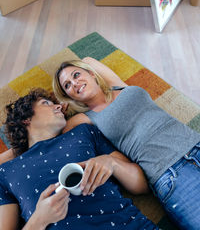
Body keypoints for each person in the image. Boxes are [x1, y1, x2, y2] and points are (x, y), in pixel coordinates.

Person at [53, 57, 200, 230]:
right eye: (67, 86)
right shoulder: (84, 118)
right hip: (170, 174)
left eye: (76, 75)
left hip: (195, 142)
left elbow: (88, 59)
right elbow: (54, 138)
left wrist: (76, 75)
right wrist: (60, 108)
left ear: (92, 74)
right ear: (68, 95)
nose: (74, 83)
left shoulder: (117, 85)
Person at [0, 88, 158, 230]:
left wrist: (112, 163)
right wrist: (39, 220)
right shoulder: (6, 172)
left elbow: (142, 185)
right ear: (25, 119)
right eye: (46, 103)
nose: (58, 106)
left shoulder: (84, 132)